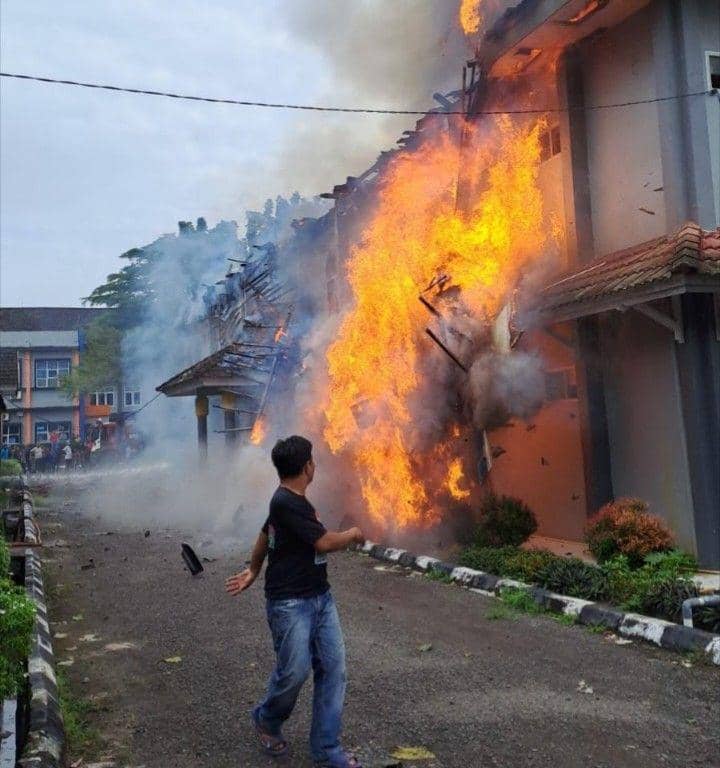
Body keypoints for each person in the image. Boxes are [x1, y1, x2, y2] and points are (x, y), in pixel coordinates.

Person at [225, 435, 365, 768]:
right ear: (307, 467)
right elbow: (324, 543)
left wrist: (253, 568)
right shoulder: (287, 502)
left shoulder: (289, 502)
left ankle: (326, 748)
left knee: (333, 669)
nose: (315, 465)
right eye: (312, 460)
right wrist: (353, 534)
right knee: (294, 671)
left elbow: (265, 534)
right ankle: (267, 718)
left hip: (320, 598)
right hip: (290, 604)